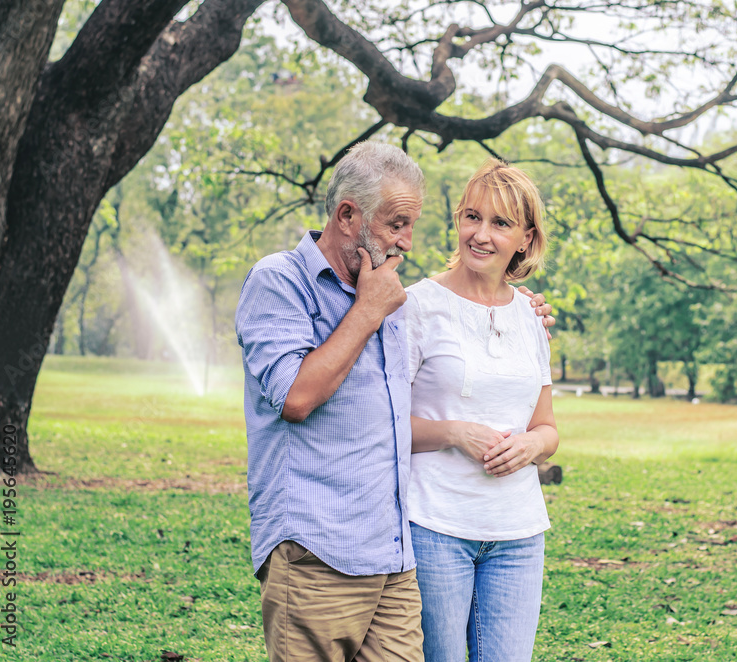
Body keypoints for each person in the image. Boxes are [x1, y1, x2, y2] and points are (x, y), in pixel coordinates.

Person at [235, 142, 553, 662]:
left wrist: (525, 315)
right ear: (346, 215)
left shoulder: (387, 292)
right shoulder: (287, 281)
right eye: (396, 224)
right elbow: (294, 398)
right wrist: (369, 310)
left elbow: (390, 413)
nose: (407, 241)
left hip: (392, 555)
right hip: (319, 545)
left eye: (411, 224)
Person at [404, 159, 559, 662]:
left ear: (526, 239)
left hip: (518, 533)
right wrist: (453, 432)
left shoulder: (532, 319)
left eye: (500, 223)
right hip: (434, 525)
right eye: (472, 217)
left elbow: (547, 427)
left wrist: (532, 445)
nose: (481, 234)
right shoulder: (415, 307)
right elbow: (378, 425)